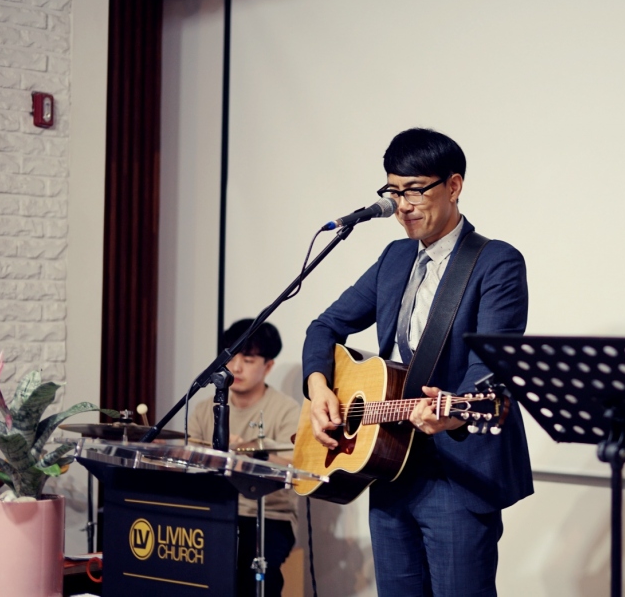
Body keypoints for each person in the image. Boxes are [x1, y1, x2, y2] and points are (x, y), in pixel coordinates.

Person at [302, 127, 532, 596]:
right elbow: (324, 326)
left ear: (454, 186)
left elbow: (492, 363)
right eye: (393, 191)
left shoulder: (496, 262)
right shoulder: (395, 258)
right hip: (389, 468)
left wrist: (456, 411)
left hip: (456, 475)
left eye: (415, 190)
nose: (402, 206)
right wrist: (319, 386)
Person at [188, 319, 300, 597]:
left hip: (268, 516)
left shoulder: (286, 410)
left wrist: (246, 453)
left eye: (248, 360)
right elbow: (189, 461)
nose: (236, 368)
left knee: (251, 571)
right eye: (231, 357)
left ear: (268, 366)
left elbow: (295, 468)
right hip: (211, 510)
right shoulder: (203, 409)